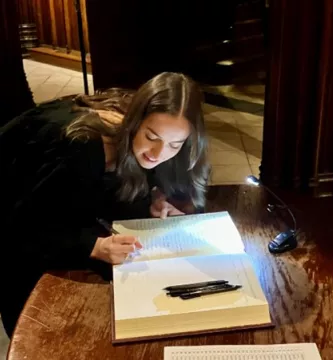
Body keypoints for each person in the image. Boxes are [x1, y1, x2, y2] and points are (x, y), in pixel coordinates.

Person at [0, 72, 209, 337]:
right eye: (152, 136)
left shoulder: (144, 135)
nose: (159, 153)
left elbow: (119, 184)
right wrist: (94, 246)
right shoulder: (85, 147)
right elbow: (25, 225)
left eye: (174, 144)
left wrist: (155, 198)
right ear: (135, 121)